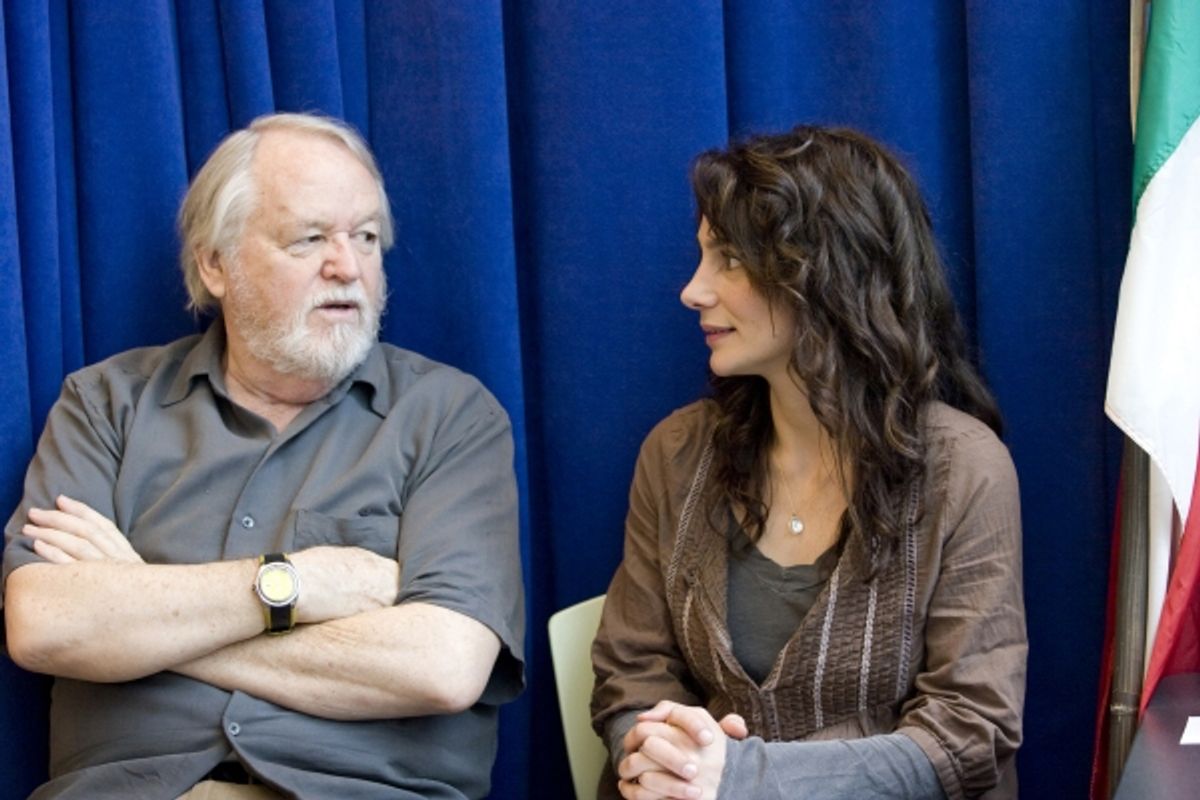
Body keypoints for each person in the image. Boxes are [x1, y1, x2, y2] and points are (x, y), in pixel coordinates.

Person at [2, 112, 524, 800]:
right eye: (309, 239)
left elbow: (444, 666)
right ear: (215, 263)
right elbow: (45, 624)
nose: (348, 267)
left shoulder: (450, 416)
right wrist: (299, 585)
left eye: (366, 237)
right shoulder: (106, 404)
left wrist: (150, 616)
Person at [591, 126, 1025, 800]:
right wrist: (660, 760)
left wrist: (743, 780)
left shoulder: (965, 468)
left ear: (821, 276)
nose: (693, 291)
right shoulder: (676, 453)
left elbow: (969, 731)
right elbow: (630, 672)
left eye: (728, 259)